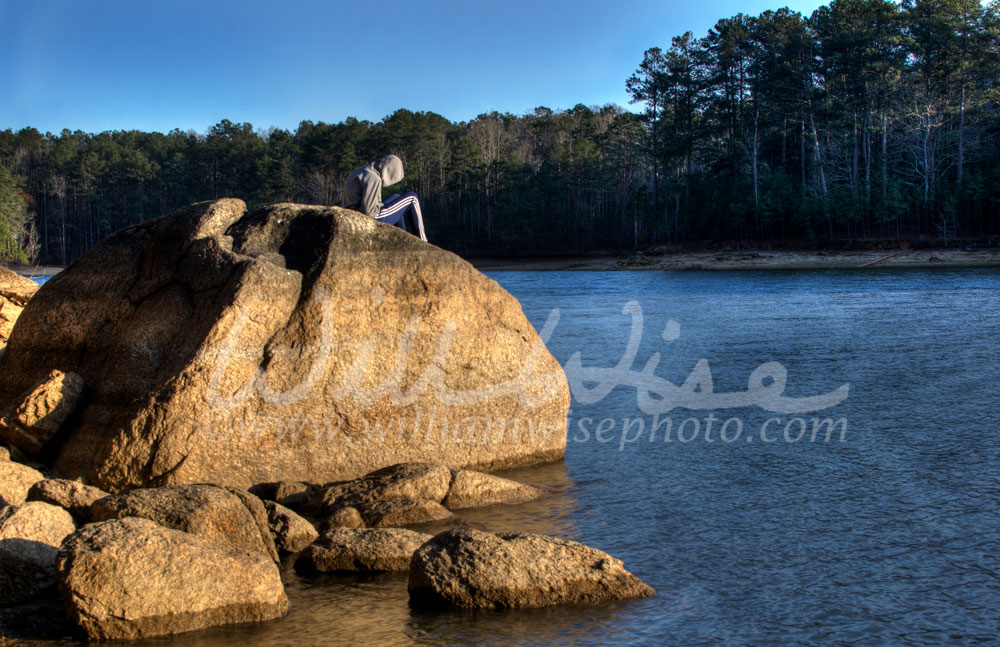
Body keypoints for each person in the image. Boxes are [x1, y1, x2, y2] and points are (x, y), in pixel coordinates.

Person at [342, 155, 427, 241]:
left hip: (353, 214)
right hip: (370, 219)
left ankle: (402, 237)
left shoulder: (363, 171)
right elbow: (369, 212)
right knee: (412, 198)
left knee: (396, 197)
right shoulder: (374, 178)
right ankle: (423, 240)